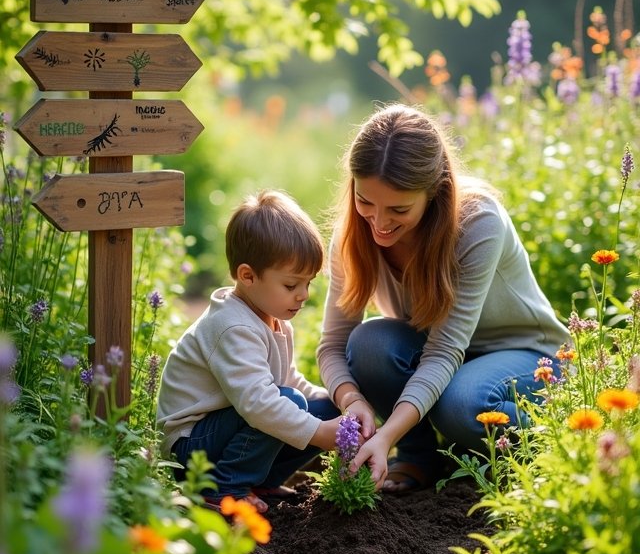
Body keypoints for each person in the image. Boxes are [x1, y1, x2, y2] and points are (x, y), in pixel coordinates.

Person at [317, 103, 571, 494]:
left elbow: (444, 352)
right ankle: (420, 460)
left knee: (462, 404)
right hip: (447, 358)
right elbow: (333, 345)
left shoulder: (477, 221)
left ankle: (568, 445)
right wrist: (353, 401)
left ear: (433, 190)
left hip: (524, 354)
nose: (380, 224)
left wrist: (384, 436)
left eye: (399, 209)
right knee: (370, 344)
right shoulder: (354, 237)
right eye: (365, 201)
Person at [157, 190, 341, 513]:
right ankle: (222, 487)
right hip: (190, 446)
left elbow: (288, 380)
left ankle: (260, 481)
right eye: (291, 285)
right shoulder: (232, 326)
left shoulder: (274, 318)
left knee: (322, 407)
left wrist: (338, 409)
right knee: (288, 405)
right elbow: (258, 403)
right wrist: (320, 433)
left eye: (308, 284)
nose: (303, 295)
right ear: (247, 276)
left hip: (225, 431)